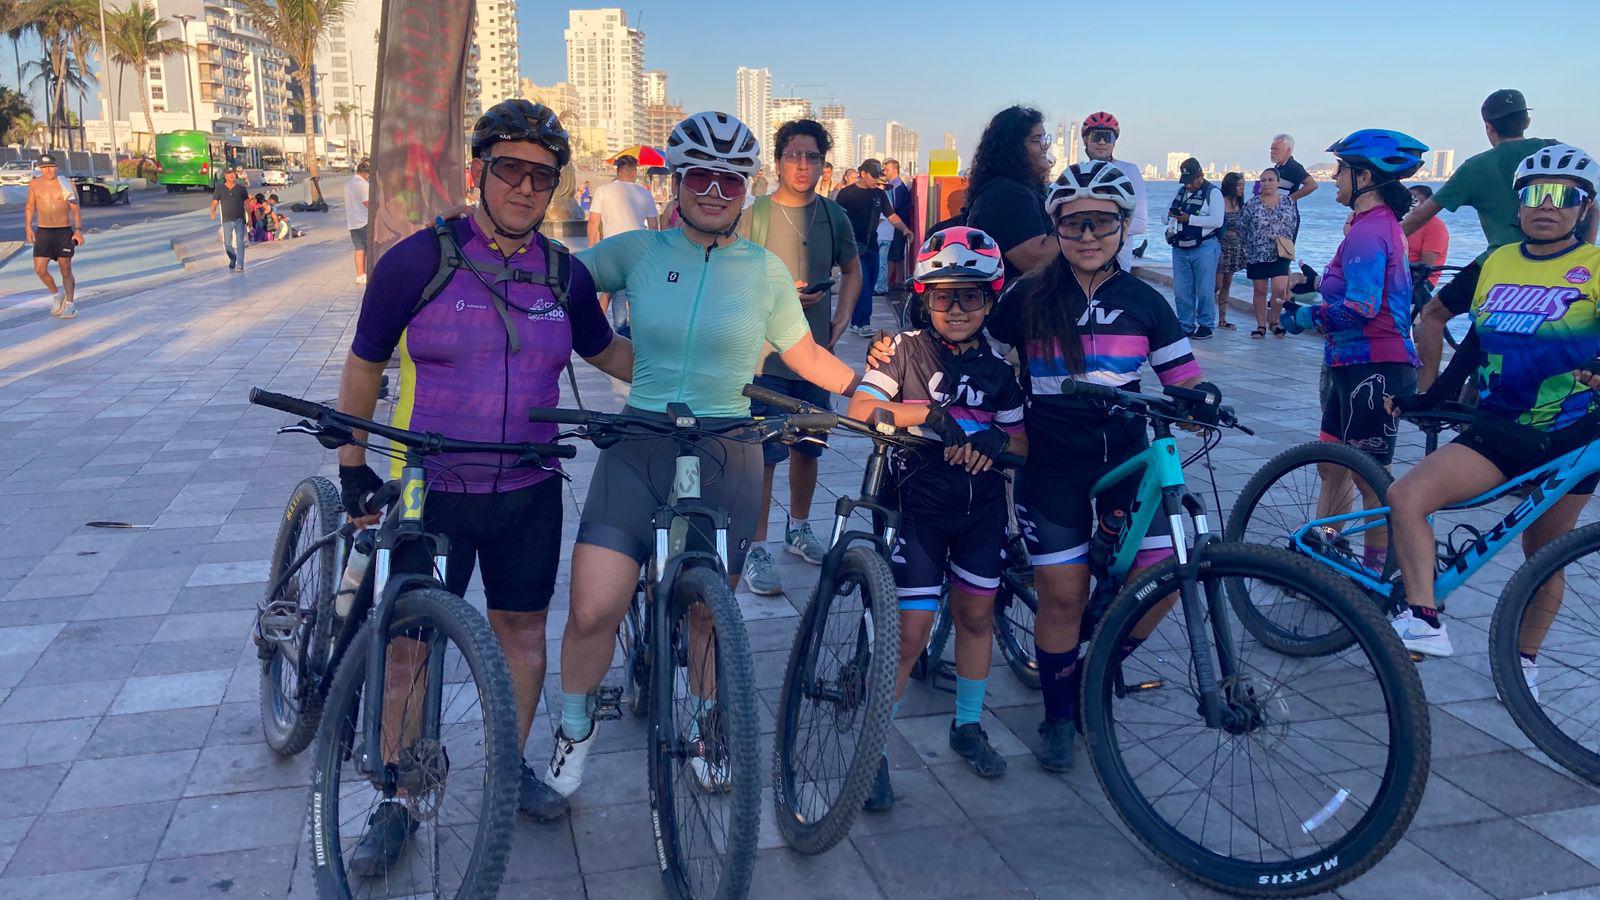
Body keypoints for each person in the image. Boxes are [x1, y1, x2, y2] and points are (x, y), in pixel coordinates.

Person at [333, 99, 634, 872]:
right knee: (409, 647)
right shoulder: (418, 260)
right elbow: (366, 362)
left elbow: (609, 355)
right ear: (479, 172)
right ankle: (397, 795)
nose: (527, 188)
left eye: (543, 176)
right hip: (431, 489)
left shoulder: (564, 273)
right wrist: (352, 463)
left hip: (529, 489)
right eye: (511, 169)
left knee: (524, 637)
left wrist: (706, 375)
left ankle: (507, 767)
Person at [538, 111, 860, 805]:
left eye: (730, 179)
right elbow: (553, 274)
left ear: (746, 187)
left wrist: (871, 391)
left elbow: (804, 355)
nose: (715, 190)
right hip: (642, 444)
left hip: (728, 449)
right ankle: (572, 730)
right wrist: (582, 337)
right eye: (700, 176)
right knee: (594, 609)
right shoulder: (642, 252)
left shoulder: (766, 272)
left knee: (711, 616)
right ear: (677, 181)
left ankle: (709, 723)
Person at [868, 161, 1202, 772]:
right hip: (1049, 461)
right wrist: (897, 351)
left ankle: (1095, 666)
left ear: (1124, 226)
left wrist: (1201, 399)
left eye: (1101, 222)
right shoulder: (1026, 298)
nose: (1087, 235)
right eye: (1073, 224)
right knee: (1062, 597)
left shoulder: (1146, 301)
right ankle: (1058, 715)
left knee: (1161, 574)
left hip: (1126, 455)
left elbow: (1183, 379)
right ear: (1057, 229)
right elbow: (963, 327)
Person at [1386, 143, 1600, 664]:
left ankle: (1522, 667)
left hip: (1570, 437)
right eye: (1533, 194)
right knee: (1407, 497)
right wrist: (1431, 395)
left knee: (1543, 558)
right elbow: (1476, 338)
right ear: (1518, 203)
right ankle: (1422, 617)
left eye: (1563, 196)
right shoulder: (1497, 261)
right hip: (1497, 428)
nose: (1546, 205)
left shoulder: (1594, 266)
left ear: (1584, 207)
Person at [849, 226, 1027, 807]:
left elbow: (1021, 441)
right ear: (922, 296)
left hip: (980, 517)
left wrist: (995, 444)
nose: (955, 307)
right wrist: (926, 414)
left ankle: (967, 726)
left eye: (970, 295)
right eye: (943, 294)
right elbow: (861, 407)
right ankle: (871, 752)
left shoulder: (1000, 370)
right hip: (918, 515)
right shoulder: (900, 350)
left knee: (976, 621)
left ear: (991, 299)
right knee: (910, 635)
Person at [1282, 130, 1425, 577]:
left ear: (1364, 176)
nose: (1334, 178)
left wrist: (1302, 318)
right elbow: (1360, 291)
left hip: (1375, 369)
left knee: (1370, 482)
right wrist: (1314, 287)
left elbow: (1362, 309)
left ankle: (1374, 578)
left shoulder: (1370, 230)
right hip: (1351, 366)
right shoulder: (1373, 227)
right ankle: (1328, 557)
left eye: (1340, 170)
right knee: (1333, 467)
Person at [737, 119, 863, 594]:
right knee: (763, 455)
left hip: (816, 355)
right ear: (778, 161)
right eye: (794, 155)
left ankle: (800, 527)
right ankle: (757, 548)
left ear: (824, 165)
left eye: (812, 157)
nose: (803, 165)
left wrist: (843, 316)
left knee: (809, 446)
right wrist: (778, 294)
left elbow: (852, 270)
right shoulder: (756, 217)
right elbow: (732, 279)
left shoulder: (834, 216)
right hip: (764, 360)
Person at [1404, 89, 1592, 390]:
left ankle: (1426, 392)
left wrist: (1383, 238)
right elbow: (1592, 205)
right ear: (1527, 121)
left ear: (1488, 127)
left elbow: (1421, 215)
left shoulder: (1477, 166)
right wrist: (1584, 250)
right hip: (1563, 262)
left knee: (1432, 314)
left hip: (1497, 262)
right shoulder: (1553, 151)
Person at [964, 105, 1054, 283]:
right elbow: (1035, 260)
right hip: (1016, 306)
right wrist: (1074, 223)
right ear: (1013, 148)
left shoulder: (1010, 189)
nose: (1044, 147)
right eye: (1037, 140)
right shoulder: (1008, 195)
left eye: (1044, 138)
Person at [836, 158, 914, 338]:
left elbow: (892, 216)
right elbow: (838, 220)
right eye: (873, 177)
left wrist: (905, 230)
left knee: (869, 284)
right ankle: (863, 323)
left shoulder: (879, 195)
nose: (875, 181)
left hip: (872, 245)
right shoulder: (846, 194)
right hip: (853, 246)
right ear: (862, 174)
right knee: (862, 284)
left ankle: (856, 322)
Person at [588, 154, 660, 334]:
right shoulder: (644, 193)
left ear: (618, 170)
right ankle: (628, 331)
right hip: (638, 250)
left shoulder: (603, 190)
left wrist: (592, 250)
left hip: (611, 250)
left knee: (611, 291)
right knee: (633, 292)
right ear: (634, 171)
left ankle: (598, 328)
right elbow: (653, 226)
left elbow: (593, 222)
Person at [1164, 158, 1225, 338]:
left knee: (1205, 288)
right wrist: (1171, 217)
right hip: (1180, 247)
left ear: (1200, 176)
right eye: (1185, 182)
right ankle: (1185, 325)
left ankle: (1206, 324)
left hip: (1204, 247)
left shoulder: (1213, 193)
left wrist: (1189, 219)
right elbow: (1163, 216)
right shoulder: (1180, 192)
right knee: (1182, 290)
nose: (1188, 185)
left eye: (1191, 181)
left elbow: (1216, 220)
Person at [1080, 112, 1148, 272]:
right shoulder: (1077, 173)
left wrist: (1094, 229)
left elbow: (1140, 223)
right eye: (1097, 136)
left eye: (1108, 137)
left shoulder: (1128, 171)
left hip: (1117, 266)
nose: (1102, 142)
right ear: (1085, 140)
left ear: (1114, 142)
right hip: (1084, 262)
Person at [1240, 168, 1300, 337]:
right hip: (1256, 253)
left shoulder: (1288, 202)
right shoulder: (1251, 204)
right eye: (1263, 180)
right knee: (1259, 290)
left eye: (1270, 180)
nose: (1266, 183)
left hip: (1280, 252)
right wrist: (1251, 244)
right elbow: (1242, 227)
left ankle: (1274, 320)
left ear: (1278, 182)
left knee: (1280, 289)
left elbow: (1293, 223)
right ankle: (1261, 325)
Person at [23, 152, 82, 319]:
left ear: (56, 167)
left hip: (63, 232)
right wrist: (28, 226)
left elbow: (76, 210)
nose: (48, 171)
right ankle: (57, 294)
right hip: (43, 231)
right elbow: (30, 206)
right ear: (40, 168)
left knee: (65, 268)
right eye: (44, 168)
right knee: (39, 269)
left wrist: (78, 230)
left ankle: (70, 305)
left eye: (50, 167)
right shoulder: (35, 185)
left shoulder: (65, 184)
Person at [1215, 171, 1246, 331]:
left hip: (1235, 247)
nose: (1241, 188)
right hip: (1221, 245)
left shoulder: (1241, 204)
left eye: (1243, 185)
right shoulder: (1220, 202)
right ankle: (1205, 312)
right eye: (1239, 185)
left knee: (1227, 283)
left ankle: (1222, 319)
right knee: (1217, 283)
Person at [209, 167, 249, 273]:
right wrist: (212, 211)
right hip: (227, 220)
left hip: (240, 219)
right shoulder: (220, 189)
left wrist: (249, 217)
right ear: (225, 176)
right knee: (227, 244)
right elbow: (214, 202)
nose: (232, 175)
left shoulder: (241, 189)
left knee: (240, 242)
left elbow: (247, 204)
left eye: (233, 173)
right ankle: (233, 258)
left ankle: (240, 265)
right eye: (229, 174)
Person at [883, 158, 916, 288]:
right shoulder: (896, 185)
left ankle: (885, 283)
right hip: (899, 223)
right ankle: (898, 280)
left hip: (897, 223)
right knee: (897, 255)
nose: (885, 172)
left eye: (887, 169)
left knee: (893, 254)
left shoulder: (897, 187)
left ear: (895, 170)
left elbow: (892, 207)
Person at [1269, 133, 1319, 206]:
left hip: (1287, 213)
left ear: (1288, 150)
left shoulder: (1293, 167)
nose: (1272, 152)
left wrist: (1290, 199)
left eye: (1276, 149)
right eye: (1271, 149)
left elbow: (1312, 185)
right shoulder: (1279, 166)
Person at [346, 158, 371, 284]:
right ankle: (370, 273)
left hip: (352, 222)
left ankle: (360, 275)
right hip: (364, 221)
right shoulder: (364, 185)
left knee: (359, 249)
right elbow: (367, 202)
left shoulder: (348, 184)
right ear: (366, 173)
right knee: (369, 248)